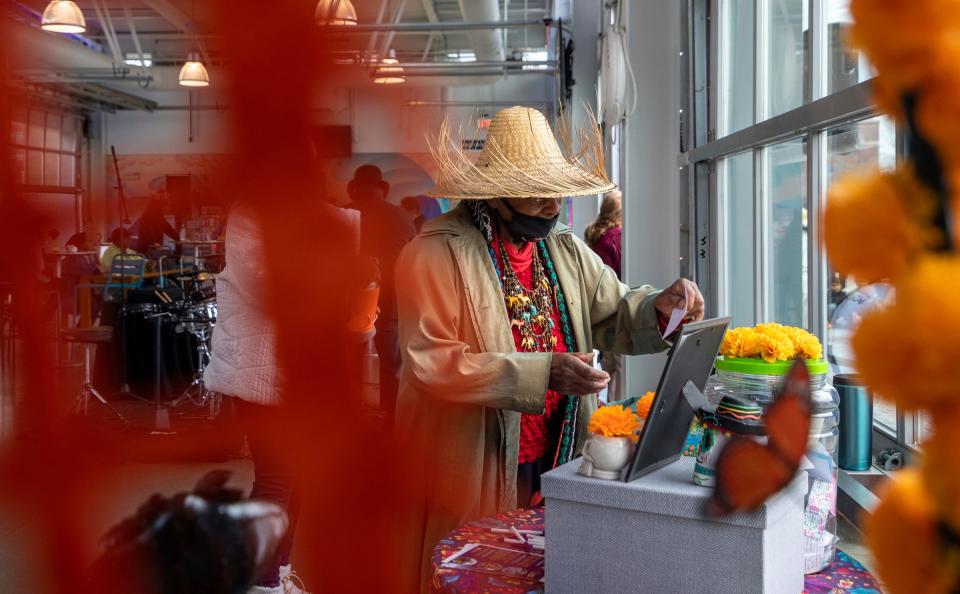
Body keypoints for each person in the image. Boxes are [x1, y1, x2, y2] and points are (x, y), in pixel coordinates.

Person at [394, 106, 704, 591]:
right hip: (474, 455)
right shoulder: (433, 253)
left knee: (550, 567)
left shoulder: (562, 248)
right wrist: (542, 374)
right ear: (496, 193)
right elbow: (430, 362)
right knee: (480, 568)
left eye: (555, 190)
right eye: (536, 192)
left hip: (559, 445)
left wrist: (661, 308)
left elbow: (616, 310)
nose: (551, 205)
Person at [203, 205, 312, 594]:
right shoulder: (249, 215)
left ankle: (276, 573)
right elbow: (267, 288)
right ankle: (259, 581)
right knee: (277, 479)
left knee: (295, 480)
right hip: (259, 371)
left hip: (293, 374)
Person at [347, 165, 416, 425]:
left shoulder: (345, 212)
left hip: (351, 307)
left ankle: (352, 427)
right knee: (391, 371)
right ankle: (392, 427)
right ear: (382, 190)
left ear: (355, 189)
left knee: (350, 370)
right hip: (392, 305)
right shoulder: (401, 216)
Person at [585, 190, 625, 401]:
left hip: (601, 309)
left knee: (610, 365)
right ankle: (616, 412)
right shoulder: (616, 237)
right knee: (618, 367)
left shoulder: (597, 237)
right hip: (616, 307)